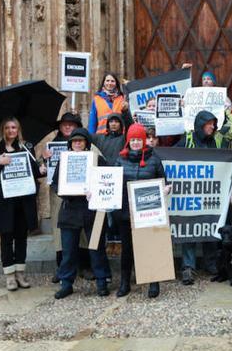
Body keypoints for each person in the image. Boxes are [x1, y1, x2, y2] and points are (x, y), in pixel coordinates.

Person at [0, 117, 47, 291]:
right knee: (6, 238)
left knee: (21, 238)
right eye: (8, 128)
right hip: (4, 202)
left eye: (14, 127)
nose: (11, 131)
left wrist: (42, 168)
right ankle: (10, 276)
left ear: (18, 129)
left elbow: (34, 171)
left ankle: (20, 272)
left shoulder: (26, 147)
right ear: (2, 130)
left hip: (23, 200)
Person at [51, 128, 111, 299]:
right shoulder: (63, 161)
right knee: (68, 250)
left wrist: (97, 190)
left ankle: (102, 282)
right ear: (70, 144)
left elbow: (107, 179)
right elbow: (55, 184)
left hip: (92, 209)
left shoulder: (97, 159)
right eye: (74, 141)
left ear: (86, 143)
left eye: (81, 141)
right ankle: (66, 283)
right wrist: (64, 192)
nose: (77, 143)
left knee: (96, 248)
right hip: (70, 209)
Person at [114, 123, 166, 298]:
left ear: (143, 141)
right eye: (133, 139)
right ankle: (124, 283)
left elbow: (162, 180)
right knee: (127, 249)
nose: (135, 143)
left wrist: (165, 189)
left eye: (138, 139)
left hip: (147, 212)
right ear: (128, 141)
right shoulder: (120, 159)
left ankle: (153, 282)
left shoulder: (154, 159)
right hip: (125, 212)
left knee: (149, 247)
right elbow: (111, 183)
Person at [175, 110, 226, 284]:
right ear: (200, 124)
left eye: (214, 123)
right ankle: (188, 267)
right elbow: (171, 156)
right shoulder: (187, 140)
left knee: (209, 226)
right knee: (189, 230)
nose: (213, 126)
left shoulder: (217, 142)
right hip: (190, 196)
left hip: (210, 194)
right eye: (209, 123)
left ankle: (210, 263)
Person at [42, 112, 87, 281]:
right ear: (60, 127)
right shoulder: (51, 145)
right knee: (59, 231)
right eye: (64, 124)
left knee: (82, 232)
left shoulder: (85, 144)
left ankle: (83, 266)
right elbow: (42, 169)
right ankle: (62, 268)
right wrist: (43, 160)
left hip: (82, 194)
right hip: (59, 195)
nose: (67, 127)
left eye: (71, 124)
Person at [92, 112, 125, 245]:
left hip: (118, 179)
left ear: (121, 124)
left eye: (117, 121)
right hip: (102, 181)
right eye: (111, 121)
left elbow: (130, 125)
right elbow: (82, 136)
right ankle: (106, 240)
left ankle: (117, 240)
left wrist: (126, 113)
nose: (113, 124)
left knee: (117, 213)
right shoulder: (100, 138)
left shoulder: (124, 139)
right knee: (104, 215)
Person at [200, 70, 232, 146]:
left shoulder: (222, 97)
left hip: (217, 130)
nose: (206, 81)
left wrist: (226, 109)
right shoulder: (197, 97)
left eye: (209, 79)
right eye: (204, 79)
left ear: (213, 82)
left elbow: (230, 115)